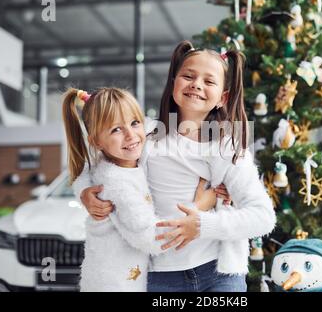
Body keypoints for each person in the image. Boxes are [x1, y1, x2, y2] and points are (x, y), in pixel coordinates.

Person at [75, 41, 276, 292]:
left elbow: (263, 217)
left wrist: (201, 225)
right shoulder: (145, 134)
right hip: (161, 276)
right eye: (188, 76)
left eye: (209, 81)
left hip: (218, 273)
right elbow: (96, 161)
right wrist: (84, 192)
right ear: (173, 85)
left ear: (222, 98)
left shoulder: (229, 150)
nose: (197, 85)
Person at [62, 87, 217, 291]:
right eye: (116, 129)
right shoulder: (118, 183)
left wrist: (83, 191)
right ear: (96, 142)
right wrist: (200, 205)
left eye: (135, 123)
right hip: (116, 285)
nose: (130, 135)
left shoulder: (118, 162)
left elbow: (83, 171)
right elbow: (152, 238)